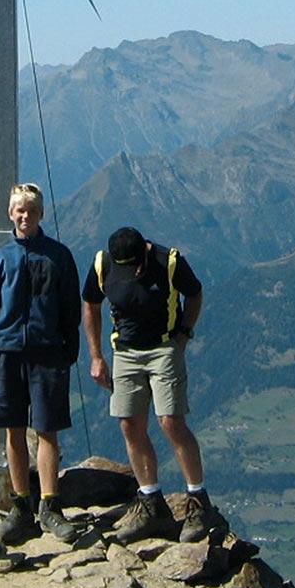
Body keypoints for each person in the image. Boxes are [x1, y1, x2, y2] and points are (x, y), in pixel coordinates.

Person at [83, 226, 221, 543]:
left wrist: (184, 334)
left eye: (135, 265)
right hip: (126, 351)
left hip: (163, 347)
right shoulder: (103, 264)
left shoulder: (168, 261)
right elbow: (90, 304)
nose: (132, 272)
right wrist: (95, 356)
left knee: (171, 421)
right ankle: (151, 500)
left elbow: (195, 293)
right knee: (130, 425)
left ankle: (199, 501)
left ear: (144, 251)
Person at [0, 182, 85, 545]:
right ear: (11, 214)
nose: (25, 216)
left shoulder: (59, 255)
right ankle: (21, 505)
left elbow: (71, 307)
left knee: (46, 430)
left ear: (41, 213)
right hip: (6, 352)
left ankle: (50, 506)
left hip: (47, 352)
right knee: (12, 429)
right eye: (19, 210)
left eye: (32, 210)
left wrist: (68, 350)